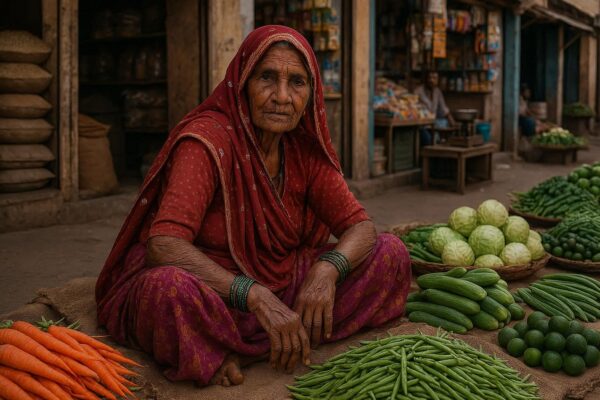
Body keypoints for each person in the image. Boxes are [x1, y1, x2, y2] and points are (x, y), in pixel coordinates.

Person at [95, 25, 411, 387]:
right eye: (267, 78)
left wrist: (327, 271)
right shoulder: (207, 142)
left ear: (312, 93)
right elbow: (164, 245)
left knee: (391, 253)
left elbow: (361, 227)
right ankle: (263, 339)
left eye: (297, 82)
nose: (281, 96)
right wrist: (255, 295)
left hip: (287, 285)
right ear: (242, 82)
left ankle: (260, 342)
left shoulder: (302, 148)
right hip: (216, 292)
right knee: (165, 291)